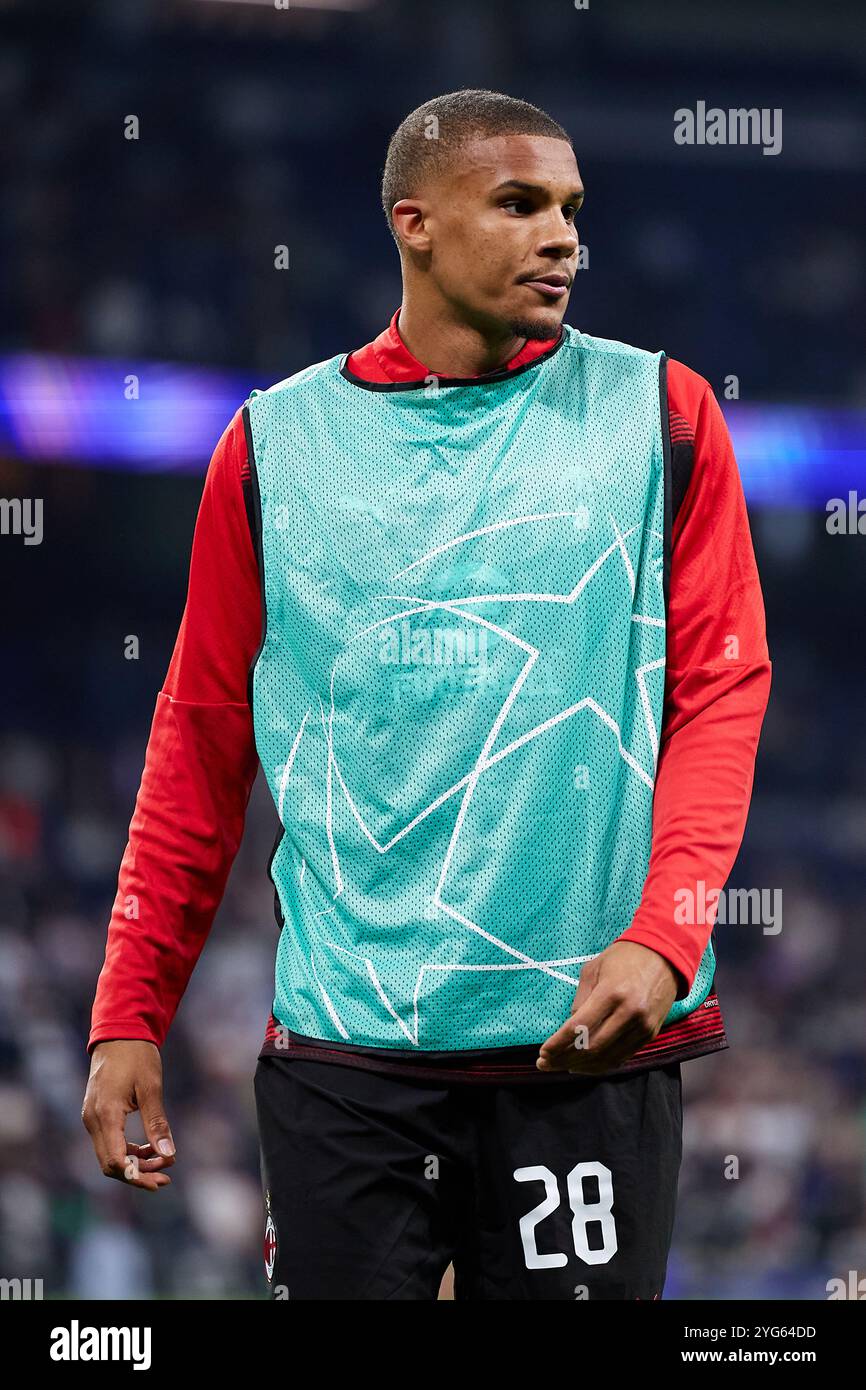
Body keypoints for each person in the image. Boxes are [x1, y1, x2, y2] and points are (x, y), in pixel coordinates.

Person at [83, 89, 771, 1300]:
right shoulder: (270, 447)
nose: (561, 236)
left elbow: (719, 696)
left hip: (579, 1053)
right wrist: (129, 1009)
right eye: (517, 204)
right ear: (414, 223)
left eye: (570, 209)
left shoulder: (663, 415)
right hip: (348, 1058)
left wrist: (664, 938)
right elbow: (199, 741)